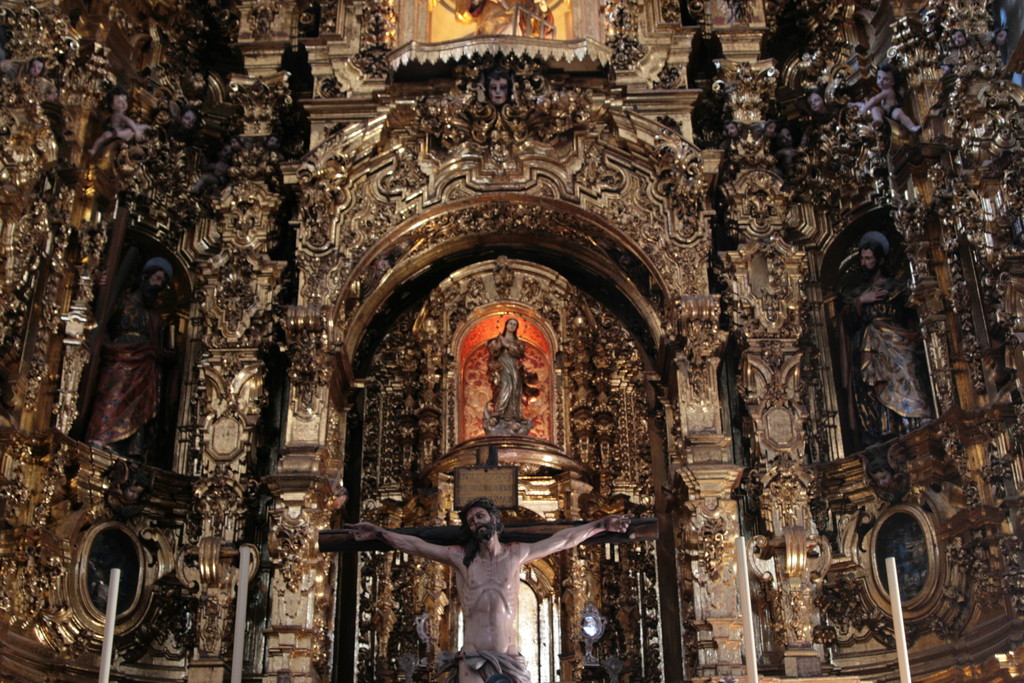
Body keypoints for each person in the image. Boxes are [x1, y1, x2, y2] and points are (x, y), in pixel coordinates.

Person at [346, 498, 631, 683]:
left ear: (494, 519)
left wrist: (601, 525)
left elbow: (564, 539)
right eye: (471, 521)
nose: (476, 522)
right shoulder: (460, 558)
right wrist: (378, 533)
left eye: (480, 516)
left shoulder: (517, 554)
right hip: (473, 660)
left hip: (509, 660)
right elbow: (416, 545)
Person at [840, 232, 930, 446]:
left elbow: (912, 314)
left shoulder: (896, 287)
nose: (864, 263)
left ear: (879, 260)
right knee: (874, 383)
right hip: (871, 345)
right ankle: (885, 426)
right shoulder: (858, 292)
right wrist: (860, 301)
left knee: (908, 370)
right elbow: (846, 323)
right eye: (861, 258)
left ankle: (915, 418)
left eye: (868, 258)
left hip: (899, 342)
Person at [85, 258, 175, 459]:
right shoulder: (122, 301)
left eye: (162, 282)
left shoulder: (155, 317)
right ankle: (100, 438)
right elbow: (100, 318)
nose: (158, 284)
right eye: (157, 278)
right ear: (145, 276)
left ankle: (130, 450)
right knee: (112, 396)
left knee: (140, 407)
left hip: (144, 368)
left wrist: (163, 354)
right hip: (118, 360)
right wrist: (99, 286)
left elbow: (161, 348)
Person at [483, 318, 538, 435]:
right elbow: (493, 351)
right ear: (506, 325)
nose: (512, 326)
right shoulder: (498, 339)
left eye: (515, 324)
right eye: (510, 323)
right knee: (505, 386)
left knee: (515, 390)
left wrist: (506, 344)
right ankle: (499, 413)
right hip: (502, 366)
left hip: (514, 367)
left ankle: (515, 415)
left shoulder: (519, 342)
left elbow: (519, 353)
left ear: (517, 328)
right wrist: (500, 344)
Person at [855, 63, 920, 132]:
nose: (880, 81)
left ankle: (912, 127)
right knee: (875, 109)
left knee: (898, 114)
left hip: (892, 110)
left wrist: (865, 108)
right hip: (884, 111)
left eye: (885, 79)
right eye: (879, 78)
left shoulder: (888, 91)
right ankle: (878, 120)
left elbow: (875, 99)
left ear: (893, 82)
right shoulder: (884, 90)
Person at [89, 86, 151, 156]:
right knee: (104, 136)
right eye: (119, 102)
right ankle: (93, 149)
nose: (124, 104)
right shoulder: (119, 115)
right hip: (115, 131)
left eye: (125, 100)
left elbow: (128, 121)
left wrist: (136, 130)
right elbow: (129, 121)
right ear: (112, 106)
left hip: (117, 132)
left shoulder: (119, 115)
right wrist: (136, 130)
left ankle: (93, 149)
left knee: (131, 129)